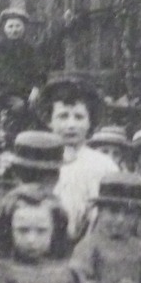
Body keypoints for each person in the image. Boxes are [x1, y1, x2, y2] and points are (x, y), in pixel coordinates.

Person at [44, 74, 118, 242]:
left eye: (79, 117)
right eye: (63, 116)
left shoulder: (102, 165)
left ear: (90, 122)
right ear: (50, 121)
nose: (71, 125)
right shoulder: (42, 162)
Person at [0, 7, 47, 142]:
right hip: (0, 93)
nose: (14, 30)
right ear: (4, 28)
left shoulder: (30, 49)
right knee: (18, 106)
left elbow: (40, 73)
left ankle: (34, 142)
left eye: (18, 26)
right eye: (11, 26)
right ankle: (11, 139)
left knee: (40, 108)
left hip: (24, 93)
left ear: (24, 28)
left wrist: (36, 89)